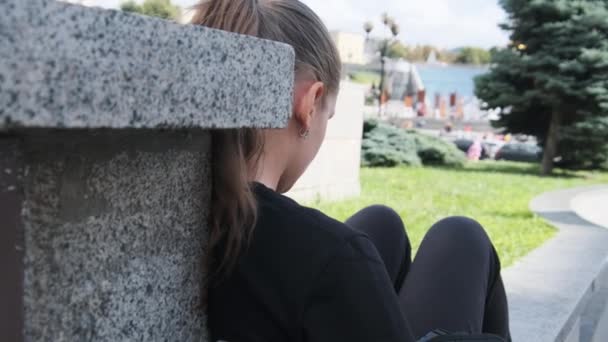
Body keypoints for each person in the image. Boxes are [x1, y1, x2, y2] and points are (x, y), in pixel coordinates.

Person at [192, 1, 511, 341]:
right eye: (328, 116)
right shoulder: (332, 257)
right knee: (462, 235)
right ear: (310, 103)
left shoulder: (189, 202)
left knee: (381, 221)